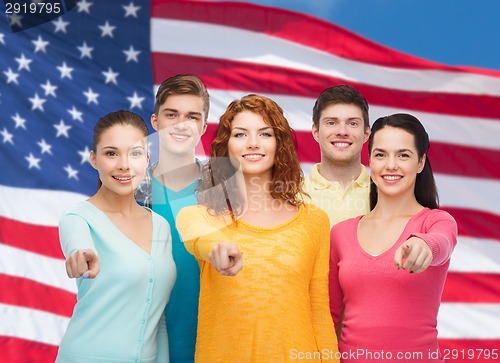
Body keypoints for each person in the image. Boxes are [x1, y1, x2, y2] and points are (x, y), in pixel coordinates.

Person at [177, 94, 338, 362]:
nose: (253, 143)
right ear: (226, 147)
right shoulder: (199, 217)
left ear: (279, 144)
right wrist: (218, 248)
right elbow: (200, 237)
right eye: (240, 135)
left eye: (265, 134)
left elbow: (319, 312)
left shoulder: (314, 221)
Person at [329, 113, 458, 362]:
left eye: (403, 155)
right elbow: (330, 316)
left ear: (420, 162)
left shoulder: (435, 222)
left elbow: (441, 242)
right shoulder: (341, 233)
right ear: (369, 161)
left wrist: (424, 244)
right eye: (380, 154)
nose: (390, 165)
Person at [57, 110, 176, 362]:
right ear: (94, 159)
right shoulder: (78, 218)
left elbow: (158, 317)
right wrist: (81, 256)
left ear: (146, 158)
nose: (124, 164)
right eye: (111, 153)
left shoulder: (161, 226)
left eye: (134, 153)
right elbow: (78, 247)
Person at [134, 74, 209, 363]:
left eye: (192, 116)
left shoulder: (226, 190)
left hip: (212, 344)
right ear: (155, 122)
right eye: (171, 114)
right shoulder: (130, 190)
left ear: (203, 126)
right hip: (146, 348)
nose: (181, 124)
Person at [304, 85, 371, 227]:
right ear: (316, 132)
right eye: (331, 123)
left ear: (366, 134)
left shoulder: (386, 192)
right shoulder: (291, 194)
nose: (342, 131)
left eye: (352, 123)